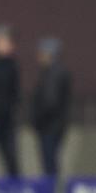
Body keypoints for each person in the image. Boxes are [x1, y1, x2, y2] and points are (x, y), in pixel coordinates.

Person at [31, 37, 70, 177]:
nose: (39, 56)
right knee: (50, 161)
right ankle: (53, 192)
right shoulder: (52, 72)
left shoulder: (54, 73)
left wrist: (38, 119)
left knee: (50, 162)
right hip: (53, 124)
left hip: (50, 125)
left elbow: (50, 101)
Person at [0, 25, 21, 177]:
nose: (9, 44)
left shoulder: (10, 64)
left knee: (11, 155)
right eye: (5, 41)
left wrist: (13, 106)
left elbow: (14, 89)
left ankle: (16, 188)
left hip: (6, 117)